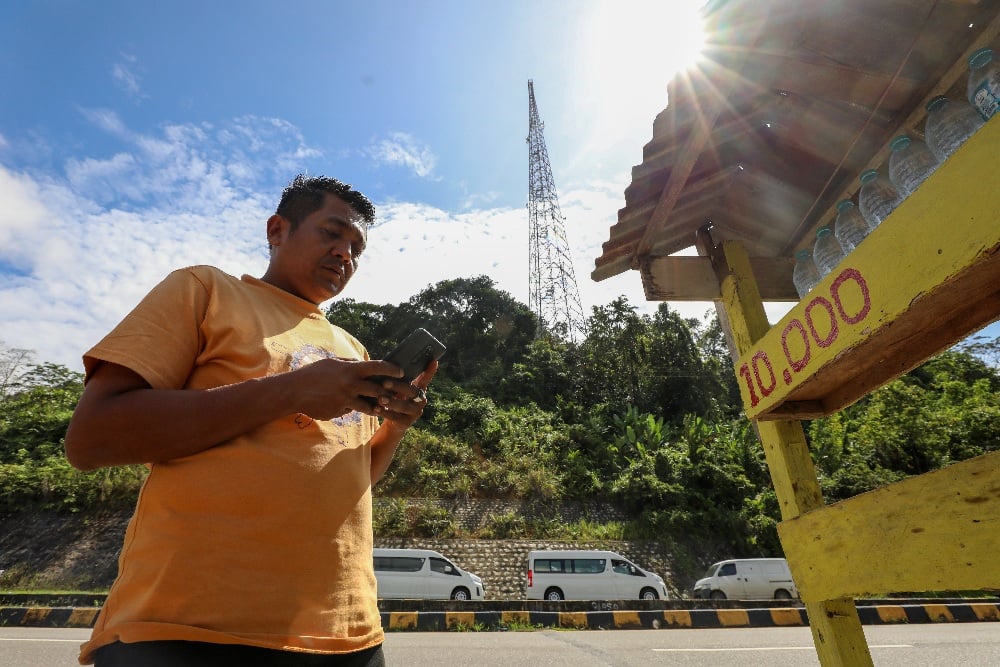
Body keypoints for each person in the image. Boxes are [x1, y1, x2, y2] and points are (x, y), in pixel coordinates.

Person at [64, 174, 437, 666]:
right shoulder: (204, 290)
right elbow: (92, 438)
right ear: (277, 229)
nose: (346, 254)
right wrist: (293, 390)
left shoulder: (353, 351)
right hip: (187, 631)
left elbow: (354, 478)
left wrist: (396, 427)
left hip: (348, 636)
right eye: (332, 233)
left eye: (356, 247)